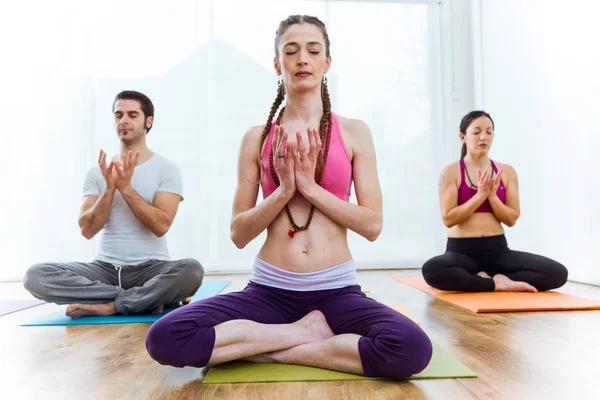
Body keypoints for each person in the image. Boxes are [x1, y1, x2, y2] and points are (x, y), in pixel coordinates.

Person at [145, 16, 432, 379]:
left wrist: (310, 188)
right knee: (165, 338)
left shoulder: (355, 133)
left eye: (313, 50)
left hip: (337, 291)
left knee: (412, 349)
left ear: (327, 62)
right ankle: (303, 335)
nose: (302, 59)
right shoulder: (257, 138)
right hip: (269, 290)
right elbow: (238, 233)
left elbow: (372, 225)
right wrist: (283, 191)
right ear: (277, 63)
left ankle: (270, 349)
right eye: (291, 51)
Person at [23, 90, 203, 318]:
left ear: (148, 121)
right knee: (35, 276)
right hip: (104, 269)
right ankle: (141, 298)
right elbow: (87, 230)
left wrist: (126, 188)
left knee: (192, 271)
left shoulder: (167, 169)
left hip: (151, 268)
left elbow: (161, 226)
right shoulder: (98, 173)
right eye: (118, 115)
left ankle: (110, 305)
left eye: (132, 115)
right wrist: (109, 189)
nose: (124, 120)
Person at [422, 110, 568, 292]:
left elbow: (511, 219)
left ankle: (492, 280)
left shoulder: (506, 171)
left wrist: (492, 197)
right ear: (462, 137)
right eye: (476, 132)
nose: (483, 137)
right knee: (432, 270)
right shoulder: (450, 171)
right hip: (461, 252)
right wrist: (479, 196)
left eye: (489, 132)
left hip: (498, 251)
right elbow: (449, 219)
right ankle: (493, 283)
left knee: (557, 273)